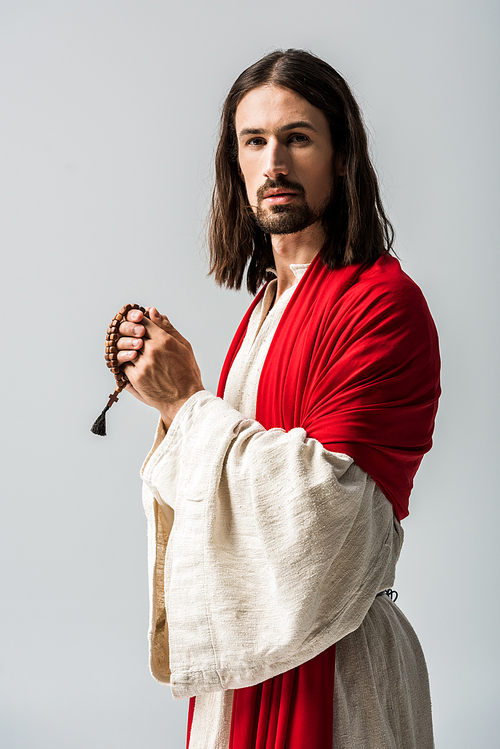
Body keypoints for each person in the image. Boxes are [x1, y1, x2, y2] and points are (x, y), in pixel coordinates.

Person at [115, 49, 440, 749]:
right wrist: (171, 403)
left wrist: (192, 404)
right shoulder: (265, 309)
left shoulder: (383, 303)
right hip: (254, 667)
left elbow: (330, 509)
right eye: (253, 142)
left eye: (297, 137)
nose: (274, 163)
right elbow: (216, 492)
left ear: (342, 154)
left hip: (340, 661)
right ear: (234, 162)